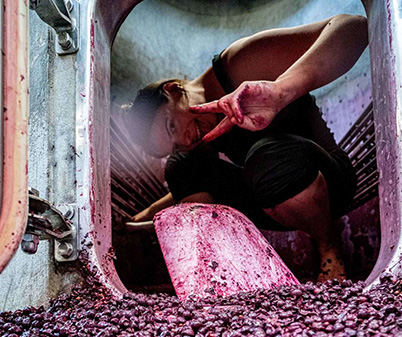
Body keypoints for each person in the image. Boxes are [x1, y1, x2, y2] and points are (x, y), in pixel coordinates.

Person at [125, 14, 368, 281]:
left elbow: (354, 28)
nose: (183, 141)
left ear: (173, 90)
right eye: (172, 145)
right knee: (181, 165)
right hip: (270, 196)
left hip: (330, 182)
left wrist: (281, 91)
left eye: (171, 125)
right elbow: (193, 187)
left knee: (265, 156)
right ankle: (217, 271)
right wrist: (144, 217)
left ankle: (328, 246)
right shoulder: (195, 139)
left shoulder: (239, 64)